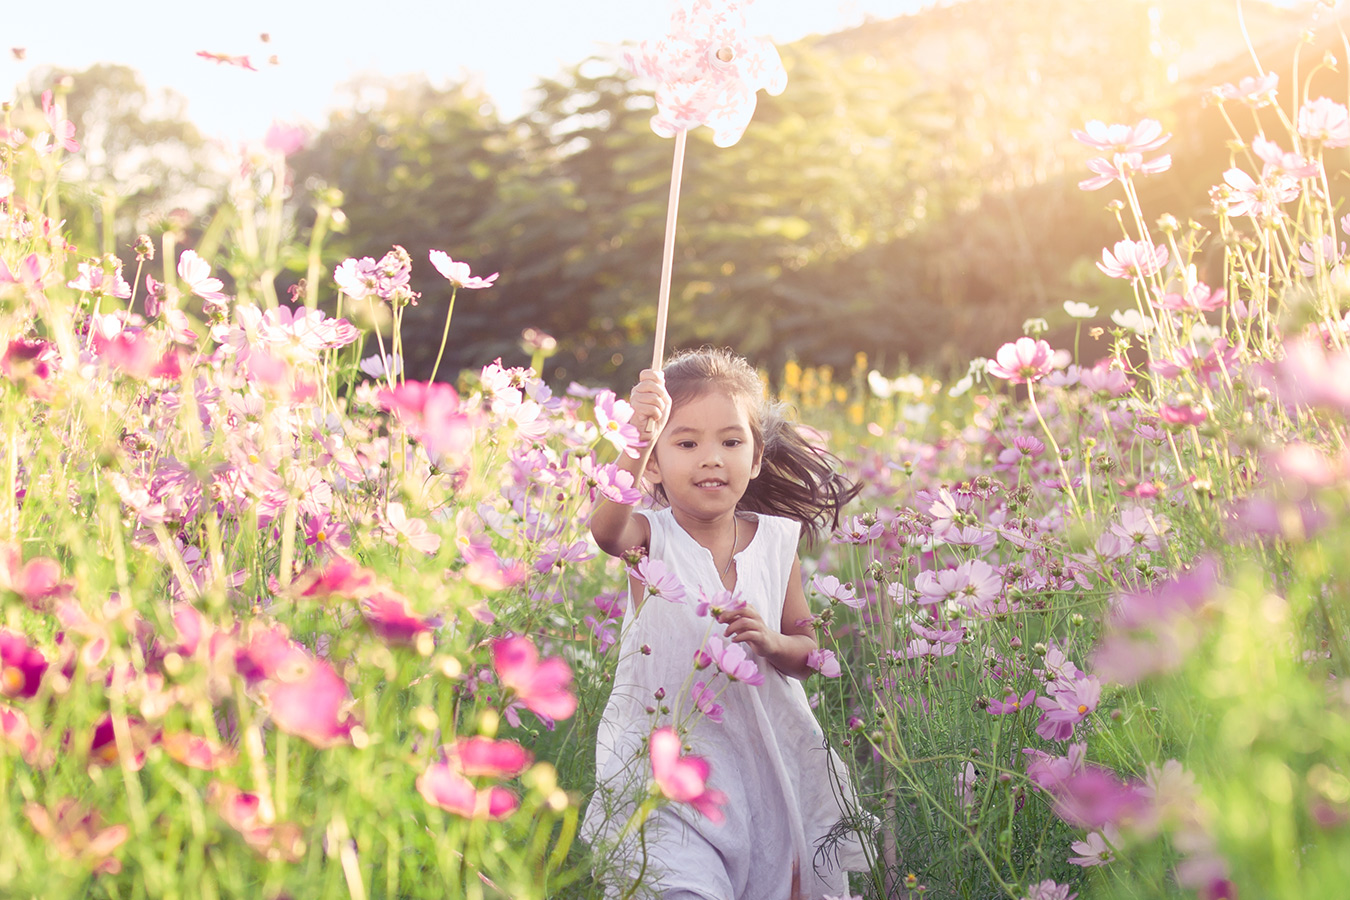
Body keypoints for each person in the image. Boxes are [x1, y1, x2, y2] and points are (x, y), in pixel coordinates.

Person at [582, 347, 870, 900]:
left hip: (764, 769)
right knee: (681, 887)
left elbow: (810, 651)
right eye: (686, 443)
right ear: (656, 465)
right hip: (667, 769)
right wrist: (635, 437)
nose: (711, 458)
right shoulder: (648, 537)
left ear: (756, 458)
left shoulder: (777, 540)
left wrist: (771, 641)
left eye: (731, 442)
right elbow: (604, 530)